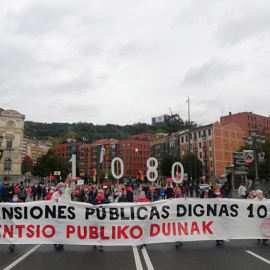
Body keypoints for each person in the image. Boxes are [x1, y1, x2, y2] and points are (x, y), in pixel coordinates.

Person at [51, 180, 75, 249]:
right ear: (58, 187)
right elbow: (50, 202)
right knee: (57, 228)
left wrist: (72, 182)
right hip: (57, 213)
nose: (62, 188)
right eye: (60, 187)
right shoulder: (55, 194)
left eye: (63, 186)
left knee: (63, 228)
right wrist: (54, 200)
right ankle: (57, 241)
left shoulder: (67, 192)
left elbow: (73, 188)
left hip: (66, 213)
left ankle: (61, 241)